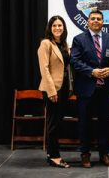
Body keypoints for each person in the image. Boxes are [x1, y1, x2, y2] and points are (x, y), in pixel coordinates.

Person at [70, 8, 109, 168]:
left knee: (104, 124)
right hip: (85, 89)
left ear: (103, 21)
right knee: (84, 124)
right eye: (92, 18)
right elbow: (75, 61)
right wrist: (91, 71)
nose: (96, 21)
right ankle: (85, 154)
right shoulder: (78, 39)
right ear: (88, 21)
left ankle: (104, 154)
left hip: (105, 90)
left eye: (99, 18)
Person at [38, 15, 72, 168]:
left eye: (60, 25)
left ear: (63, 28)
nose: (57, 28)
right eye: (54, 26)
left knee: (57, 123)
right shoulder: (46, 44)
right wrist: (51, 91)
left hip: (64, 88)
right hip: (52, 89)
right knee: (53, 124)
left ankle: (50, 153)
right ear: (50, 28)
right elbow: (44, 69)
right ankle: (54, 156)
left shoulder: (64, 44)